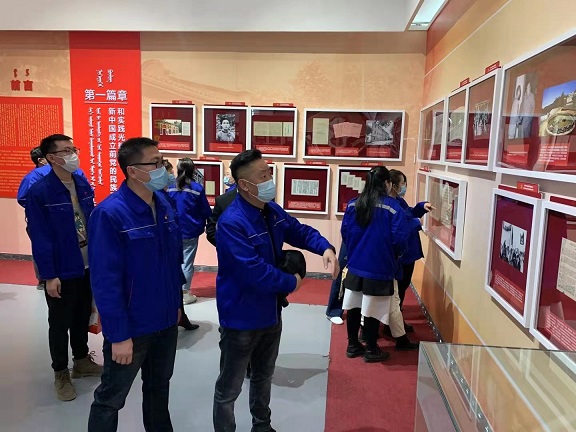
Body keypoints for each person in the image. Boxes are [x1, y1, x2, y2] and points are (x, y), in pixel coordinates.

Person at [213, 149, 339, 432]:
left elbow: (299, 231)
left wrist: (325, 247)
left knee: (263, 376)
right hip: (240, 317)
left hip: (270, 312)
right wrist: (292, 283)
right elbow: (254, 271)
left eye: (269, 172)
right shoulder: (232, 223)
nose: (270, 179)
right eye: (263, 175)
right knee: (229, 388)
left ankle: (262, 426)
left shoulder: (271, 211)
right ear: (244, 184)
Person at [87, 137, 183, 432]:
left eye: (162, 161)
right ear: (132, 171)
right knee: (111, 399)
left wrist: (176, 305)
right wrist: (118, 336)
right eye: (155, 163)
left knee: (158, 389)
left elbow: (172, 263)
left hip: (165, 321)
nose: (163, 168)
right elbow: (105, 280)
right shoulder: (110, 213)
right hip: (133, 327)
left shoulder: (164, 204)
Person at [25, 134, 102, 401]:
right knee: (59, 322)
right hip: (62, 266)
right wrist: (49, 275)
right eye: (66, 151)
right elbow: (40, 237)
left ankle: (81, 360)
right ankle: (60, 372)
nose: (73, 155)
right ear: (51, 158)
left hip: (87, 261)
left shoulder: (81, 183)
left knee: (81, 314)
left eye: (73, 149)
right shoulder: (40, 191)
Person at [341, 166, 425, 363]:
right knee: (373, 309)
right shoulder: (393, 208)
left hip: (355, 264)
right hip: (380, 267)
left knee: (353, 307)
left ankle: (353, 345)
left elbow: (346, 233)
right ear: (387, 183)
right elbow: (400, 239)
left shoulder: (353, 204)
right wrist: (395, 256)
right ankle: (371, 349)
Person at [388, 169, 431, 333]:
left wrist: (421, 207)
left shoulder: (399, 201)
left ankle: (396, 321)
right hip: (400, 255)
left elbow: (409, 213)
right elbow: (400, 227)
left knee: (401, 289)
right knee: (396, 291)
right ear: (393, 185)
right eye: (402, 184)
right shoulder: (389, 204)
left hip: (408, 254)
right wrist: (416, 223)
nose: (404, 187)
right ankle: (393, 325)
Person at [168, 157, 212, 305]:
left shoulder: (170, 187)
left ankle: (174, 292)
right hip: (190, 231)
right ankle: (185, 293)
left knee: (173, 261)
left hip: (172, 230)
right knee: (186, 262)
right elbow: (205, 210)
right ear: (193, 170)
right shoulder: (197, 188)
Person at [18, 147, 50, 290]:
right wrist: (38, 207)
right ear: (41, 160)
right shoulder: (31, 178)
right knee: (40, 248)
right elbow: (22, 198)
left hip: (56, 220)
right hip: (38, 221)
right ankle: (42, 279)